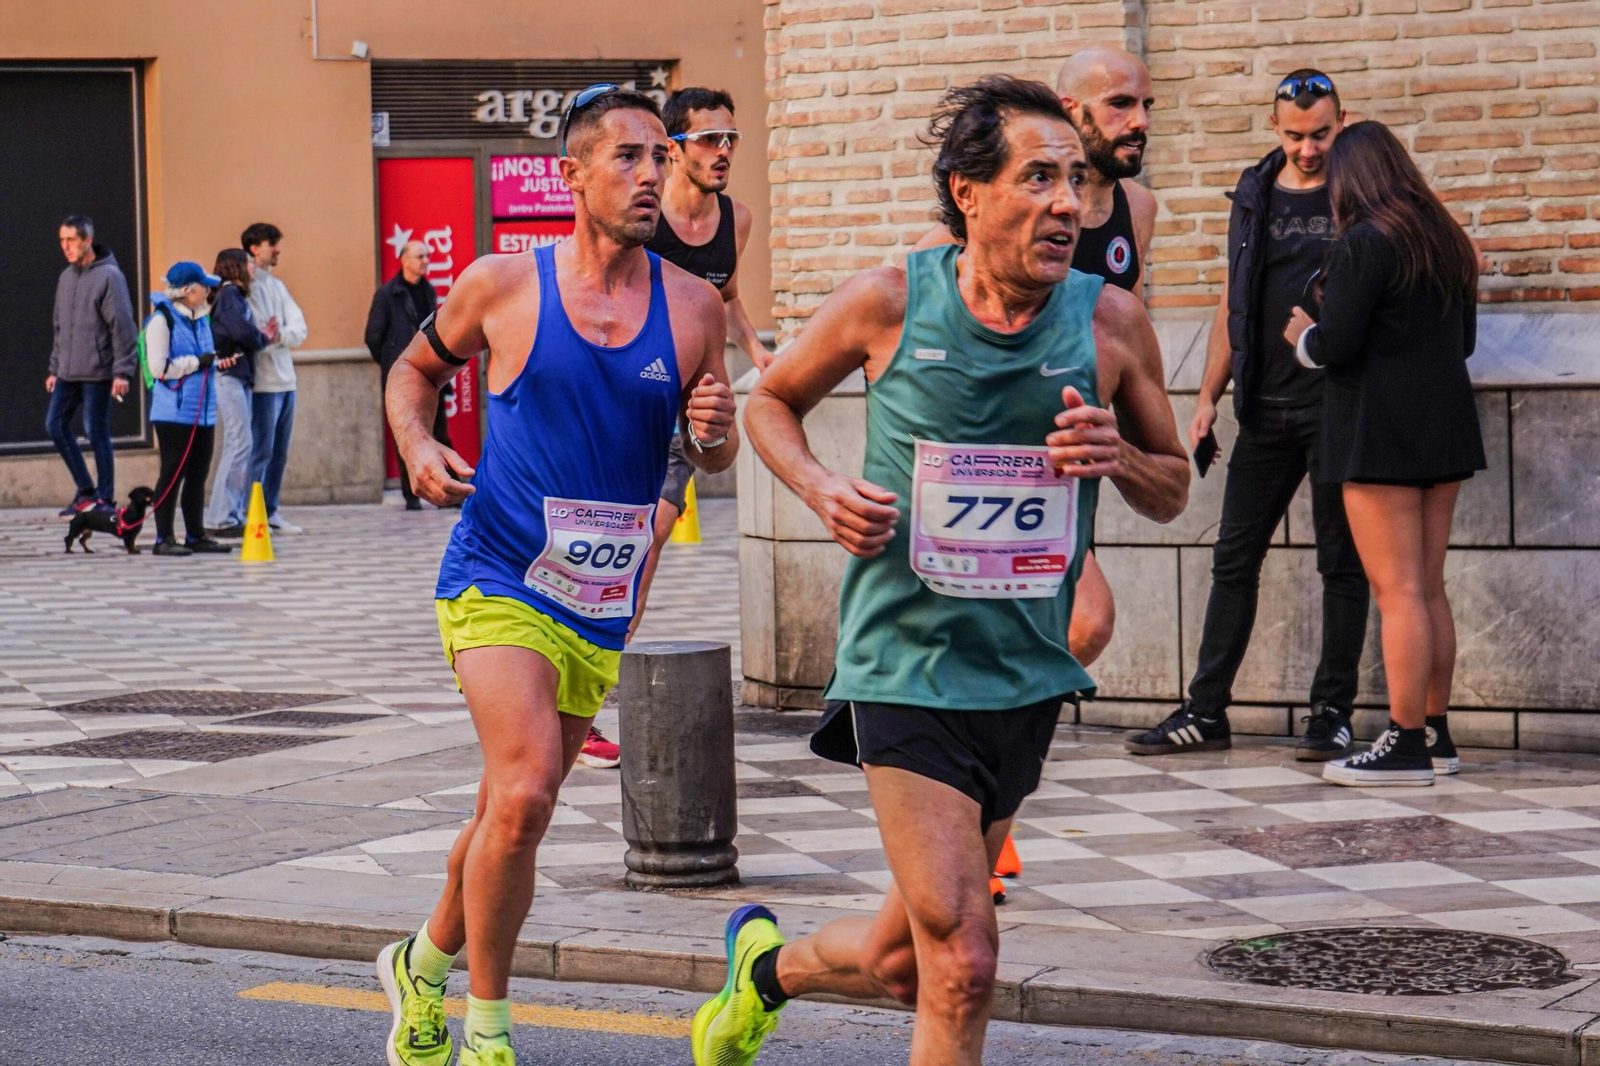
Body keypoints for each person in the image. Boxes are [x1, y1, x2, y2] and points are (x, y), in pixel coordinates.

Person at [694, 76, 1188, 1066]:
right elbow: (767, 401)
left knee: (902, 958)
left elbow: (1172, 485)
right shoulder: (889, 301)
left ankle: (762, 973)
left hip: (1025, 671)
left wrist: (1116, 457)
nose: (1066, 204)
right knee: (962, 955)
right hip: (904, 663)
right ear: (968, 191)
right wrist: (821, 487)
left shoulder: (1111, 324)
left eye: (1076, 181)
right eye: (1037, 177)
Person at [376, 85, 736, 1066]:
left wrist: (716, 436)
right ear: (570, 176)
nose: (652, 174)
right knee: (529, 791)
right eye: (627, 157)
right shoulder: (502, 285)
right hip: (496, 575)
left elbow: (711, 453)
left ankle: (421, 961)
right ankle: (486, 1031)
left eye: (660, 157)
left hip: (600, 600)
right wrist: (414, 444)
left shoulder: (695, 306)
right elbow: (410, 371)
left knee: (503, 808)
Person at [1124, 70, 1371, 763]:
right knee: (1233, 558)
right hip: (1262, 406)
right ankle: (1206, 711)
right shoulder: (1256, 193)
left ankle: (1332, 715)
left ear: (1341, 121)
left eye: (1320, 133)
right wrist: (1205, 395)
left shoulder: (1360, 191)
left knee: (1341, 564)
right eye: (1294, 135)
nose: (1308, 148)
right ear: (1275, 129)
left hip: (1335, 405)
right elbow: (1234, 299)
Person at [913, 44, 1156, 671]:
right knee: (1084, 615)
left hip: (1069, 462)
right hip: (983, 453)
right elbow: (915, 305)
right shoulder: (970, 231)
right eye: (1122, 104)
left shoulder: (1139, 210)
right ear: (1074, 113)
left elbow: (1119, 331)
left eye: (1146, 105)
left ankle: (995, 711)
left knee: (1079, 625)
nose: (1141, 122)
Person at [1284, 122, 1484, 787]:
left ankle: (1402, 744)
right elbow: (1463, 344)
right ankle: (1435, 734)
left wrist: (1304, 338)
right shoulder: (1447, 241)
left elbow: (1336, 345)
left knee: (1397, 591)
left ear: (1350, 180)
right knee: (1427, 587)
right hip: (1446, 425)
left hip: (1379, 431)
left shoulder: (1363, 243)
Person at [630, 86, 775, 641]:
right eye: (709, 139)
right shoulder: (644, 214)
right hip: (627, 398)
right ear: (674, 148)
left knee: (654, 535)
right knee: (612, 540)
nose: (724, 151)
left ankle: (604, 671)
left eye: (731, 139)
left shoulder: (736, 219)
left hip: (686, 404)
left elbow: (727, 295)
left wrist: (755, 349)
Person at [46, 215, 137, 518]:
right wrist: (55, 368)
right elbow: (60, 326)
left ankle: (106, 498)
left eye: (71, 240)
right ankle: (86, 491)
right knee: (54, 425)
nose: (66, 247)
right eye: (62, 240)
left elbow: (122, 326)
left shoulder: (110, 276)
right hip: (68, 371)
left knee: (96, 431)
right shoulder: (66, 277)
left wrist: (122, 372)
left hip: (99, 370)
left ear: (87, 240)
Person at [143, 262, 235, 557]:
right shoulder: (162, 320)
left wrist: (218, 362)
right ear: (186, 291)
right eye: (203, 286)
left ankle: (196, 535)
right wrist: (198, 363)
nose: (209, 291)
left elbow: (204, 357)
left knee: (198, 474)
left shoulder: (201, 319)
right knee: (172, 473)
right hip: (174, 413)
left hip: (204, 410)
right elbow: (159, 368)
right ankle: (164, 538)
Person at [365, 238, 451, 511]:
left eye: (427, 256)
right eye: (420, 256)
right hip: (402, 378)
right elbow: (373, 337)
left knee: (439, 432)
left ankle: (446, 490)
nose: (426, 261)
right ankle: (410, 495)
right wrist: (394, 364)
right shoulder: (387, 295)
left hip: (431, 374)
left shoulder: (428, 290)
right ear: (405, 260)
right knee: (407, 433)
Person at [204, 249, 278, 537]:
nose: (253, 267)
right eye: (249, 262)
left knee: (239, 443)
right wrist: (262, 336)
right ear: (236, 266)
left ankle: (225, 514)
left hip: (235, 376)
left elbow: (235, 330)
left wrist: (255, 332)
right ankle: (222, 517)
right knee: (240, 443)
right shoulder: (231, 293)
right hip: (230, 377)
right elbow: (241, 333)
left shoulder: (226, 296)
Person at [242, 222, 309, 534]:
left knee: (279, 452)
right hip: (263, 384)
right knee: (261, 451)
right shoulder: (246, 288)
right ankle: (248, 512)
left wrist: (277, 334)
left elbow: (299, 328)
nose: (277, 249)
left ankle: (270, 510)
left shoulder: (278, 287)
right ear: (255, 248)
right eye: (272, 243)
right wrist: (271, 335)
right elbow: (256, 334)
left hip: (287, 381)